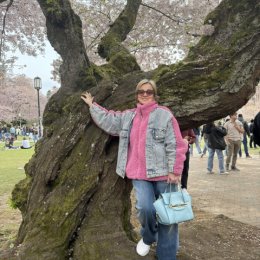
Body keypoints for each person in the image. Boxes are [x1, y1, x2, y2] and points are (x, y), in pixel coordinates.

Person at [81, 79, 188, 260]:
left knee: (169, 217)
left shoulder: (164, 114)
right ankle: (148, 237)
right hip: (139, 174)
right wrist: (93, 105)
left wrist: (175, 170)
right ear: (136, 94)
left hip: (164, 174)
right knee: (145, 208)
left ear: (154, 95)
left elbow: (176, 144)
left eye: (149, 91)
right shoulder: (128, 116)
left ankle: (166, 256)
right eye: (141, 91)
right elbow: (109, 119)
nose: (145, 94)